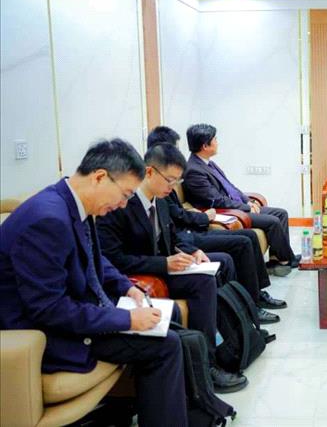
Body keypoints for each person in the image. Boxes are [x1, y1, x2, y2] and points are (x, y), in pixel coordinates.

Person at [0, 139, 187, 426]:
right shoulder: (47, 220)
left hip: (74, 309)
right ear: (100, 177)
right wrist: (126, 319)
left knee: (169, 320)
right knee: (166, 345)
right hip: (45, 333)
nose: (123, 204)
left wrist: (125, 286)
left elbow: (94, 259)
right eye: (125, 195)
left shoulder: (71, 204)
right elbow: (48, 309)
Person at [97, 143, 248, 393]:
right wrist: (163, 263)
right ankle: (206, 367)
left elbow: (173, 236)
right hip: (140, 274)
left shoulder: (161, 200)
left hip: (163, 267)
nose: (173, 187)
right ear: (149, 172)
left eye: (177, 181)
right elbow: (113, 258)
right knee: (205, 280)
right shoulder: (120, 205)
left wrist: (191, 251)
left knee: (206, 278)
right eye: (170, 180)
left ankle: (216, 354)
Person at [147, 126, 286, 319]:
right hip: (187, 234)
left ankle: (255, 296)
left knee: (249, 237)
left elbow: (177, 214)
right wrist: (204, 218)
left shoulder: (168, 182)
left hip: (188, 232)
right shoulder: (165, 184)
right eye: (175, 149)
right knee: (243, 242)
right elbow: (178, 217)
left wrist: (245, 201)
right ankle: (250, 304)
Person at [182, 123, 298, 274]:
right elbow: (216, 200)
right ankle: (286, 260)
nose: (217, 142)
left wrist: (247, 200)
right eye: (215, 139)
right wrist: (246, 207)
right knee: (273, 221)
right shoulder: (194, 170)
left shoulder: (208, 163)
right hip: (224, 211)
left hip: (235, 206)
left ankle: (277, 259)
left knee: (281, 213)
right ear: (205, 146)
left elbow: (230, 186)